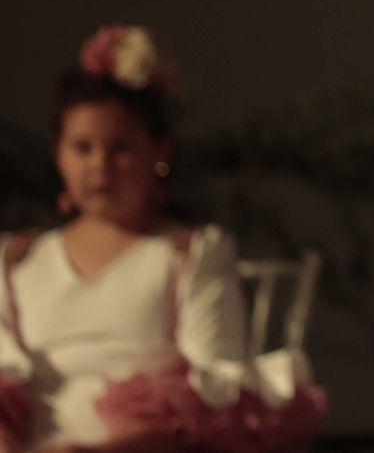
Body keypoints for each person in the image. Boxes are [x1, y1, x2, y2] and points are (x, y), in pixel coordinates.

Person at [0, 24, 323, 453]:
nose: (99, 166)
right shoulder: (17, 261)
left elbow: (214, 398)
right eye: (82, 148)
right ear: (59, 154)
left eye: (120, 148)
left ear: (159, 152)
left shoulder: (189, 253)